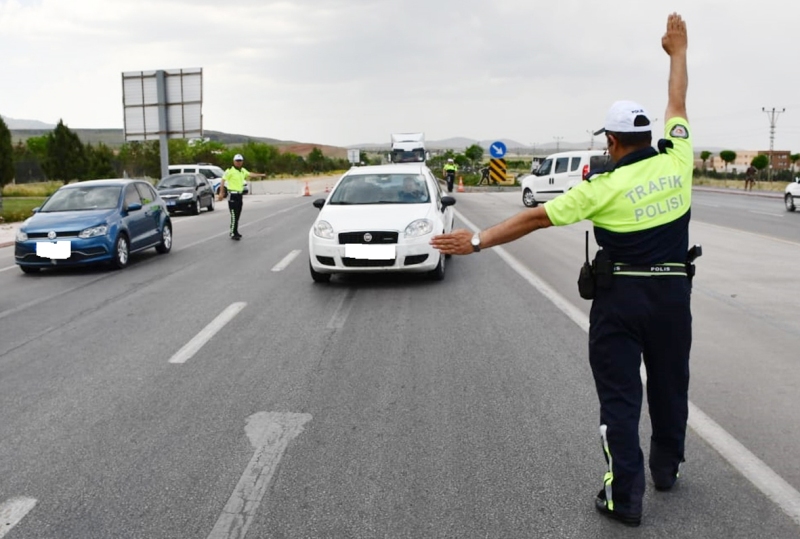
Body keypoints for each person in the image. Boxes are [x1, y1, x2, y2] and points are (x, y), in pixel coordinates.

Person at [430, 12, 693, 527]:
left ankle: (625, 498)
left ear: (613, 142)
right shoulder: (678, 158)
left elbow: (534, 217)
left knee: (620, 398)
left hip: (620, 302)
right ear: (647, 136)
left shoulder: (600, 188)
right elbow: (677, 102)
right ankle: (666, 470)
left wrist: (476, 239)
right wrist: (678, 53)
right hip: (672, 297)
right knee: (669, 385)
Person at [221, 154, 249, 240]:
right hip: (232, 195)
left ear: (242, 162)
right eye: (237, 161)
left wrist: (262, 175)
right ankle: (233, 233)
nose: (238, 162)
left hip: (239, 195)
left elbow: (250, 174)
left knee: (238, 214)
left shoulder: (242, 171)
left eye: (240, 161)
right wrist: (221, 192)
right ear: (234, 161)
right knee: (233, 214)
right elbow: (223, 180)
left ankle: (235, 231)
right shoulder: (229, 171)